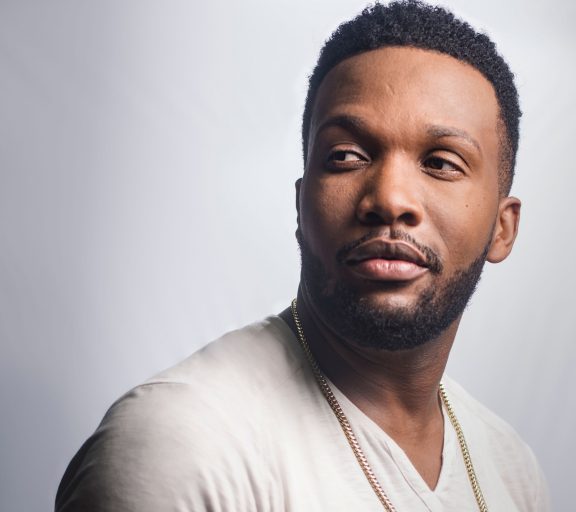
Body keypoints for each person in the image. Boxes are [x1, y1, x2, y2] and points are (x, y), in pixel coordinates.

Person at [55, 1, 549, 510]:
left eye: (441, 163)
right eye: (346, 157)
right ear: (300, 202)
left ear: (502, 228)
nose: (390, 199)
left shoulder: (510, 469)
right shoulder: (181, 447)